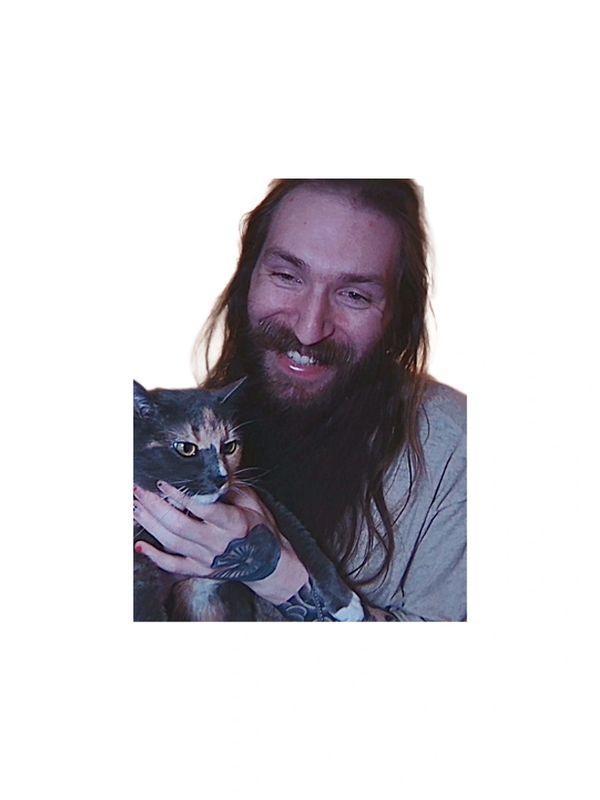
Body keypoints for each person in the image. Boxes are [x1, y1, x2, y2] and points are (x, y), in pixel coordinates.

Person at [133, 179, 466, 621]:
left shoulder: (457, 448)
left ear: (397, 315)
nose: (309, 330)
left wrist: (280, 575)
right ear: (248, 277)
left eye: (355, 295)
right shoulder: (201, 415)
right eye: (287, 277)